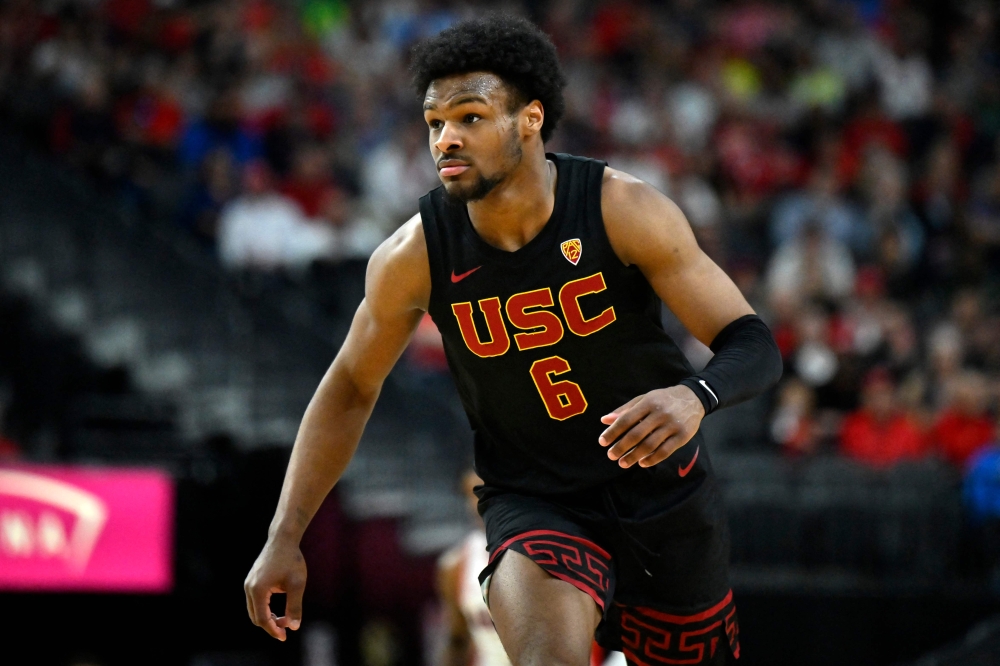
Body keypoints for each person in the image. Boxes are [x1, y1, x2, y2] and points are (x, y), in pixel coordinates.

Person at [244, 15, 782, 666]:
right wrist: (285, 534)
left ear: (529, 119)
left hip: (664, 498)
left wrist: (695, 396)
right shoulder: (414, 254)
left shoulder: (621, 207)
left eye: (470, 117)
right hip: (537, 500)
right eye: (435, 123)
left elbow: (751, 341)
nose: (446, 139)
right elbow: (352, 386)